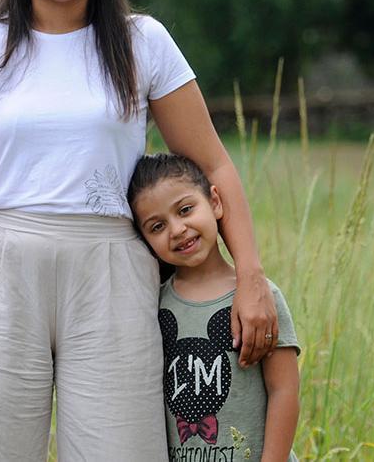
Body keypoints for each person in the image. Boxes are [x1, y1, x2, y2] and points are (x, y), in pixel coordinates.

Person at [0, 0, 280, 460]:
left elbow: (215, 167)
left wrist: (250, 278)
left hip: (113, 267)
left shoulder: (144, 42)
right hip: (1, 267)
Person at [129, 154, 301, 462]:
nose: (178, 229)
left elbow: (284, 391)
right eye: (157, 226)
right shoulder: (152, 306)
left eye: (185, 210)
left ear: (215, 202)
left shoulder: (258, 299)